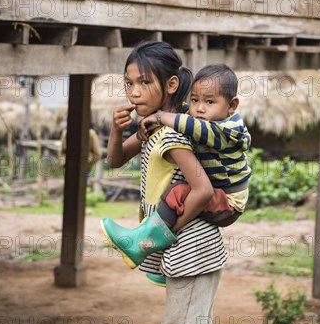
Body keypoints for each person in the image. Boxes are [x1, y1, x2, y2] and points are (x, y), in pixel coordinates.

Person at [101, 41, 227, 324]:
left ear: (170, 83)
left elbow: (203, 189)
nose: (133, 91)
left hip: (191, 250)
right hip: (199, 251)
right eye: (128, 83)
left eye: (144, 82)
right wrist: (117, 132)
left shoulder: (172, 134)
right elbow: (116, 161)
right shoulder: (156, 128)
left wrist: (163, 231)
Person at [103, 64, 251, 287]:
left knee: (178, 192)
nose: (200, 108)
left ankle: (146, 241)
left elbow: (191, 126)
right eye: (194, 100)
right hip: (214, 198)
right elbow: (115, 160)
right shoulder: (185, 120)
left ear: (232, 106)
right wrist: (120, 129)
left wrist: (162, 116)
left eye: (209, 102)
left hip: (228, 201)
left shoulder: (226, 128)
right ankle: (163, 263)